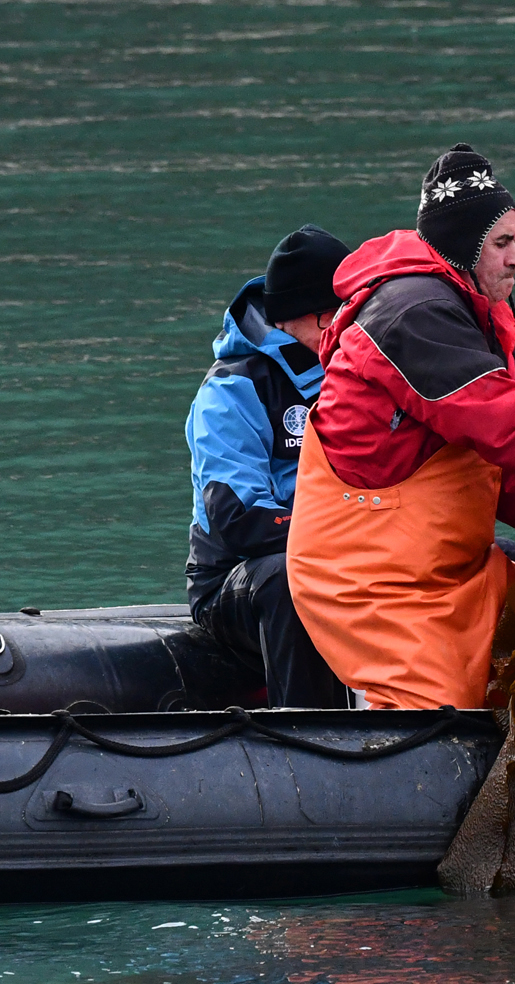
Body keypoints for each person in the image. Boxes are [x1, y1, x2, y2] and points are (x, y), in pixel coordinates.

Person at [285, 144, 515, 710]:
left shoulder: (468, 310)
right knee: (438, 718)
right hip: (373, 580)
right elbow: (504, 426)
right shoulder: (413, 312)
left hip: (453, 568)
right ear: (463, 246)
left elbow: (486, 469)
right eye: (502, 243)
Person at [185, 225, 351, 707]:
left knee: (491, 552)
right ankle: (304, 735)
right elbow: (240, 521)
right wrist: (355, 530)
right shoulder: (231, 392)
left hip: (346, 549)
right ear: (319, 318)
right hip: (236, 576)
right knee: (288, 578)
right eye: (347, 311)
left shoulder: (357, 373)